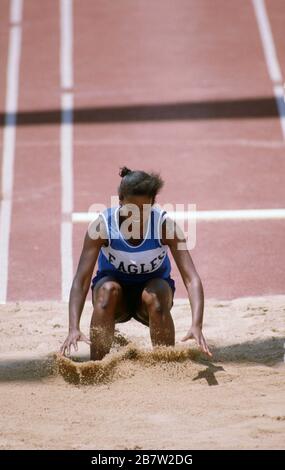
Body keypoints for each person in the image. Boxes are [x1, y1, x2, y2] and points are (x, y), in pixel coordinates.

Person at [60, 166, 212, 360]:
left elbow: (191, 279)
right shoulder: (102, 227)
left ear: (153, 203)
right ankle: (97, 365)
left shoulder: (165, 227)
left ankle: (166, 364)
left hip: (149, 300)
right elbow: (81, 280)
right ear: (120, 200)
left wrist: (196, 325)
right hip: (116, 302)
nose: (137, 216)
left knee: (156, 293)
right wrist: (73, 328)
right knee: (107, 290)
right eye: (131, 209)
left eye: (144, 209)